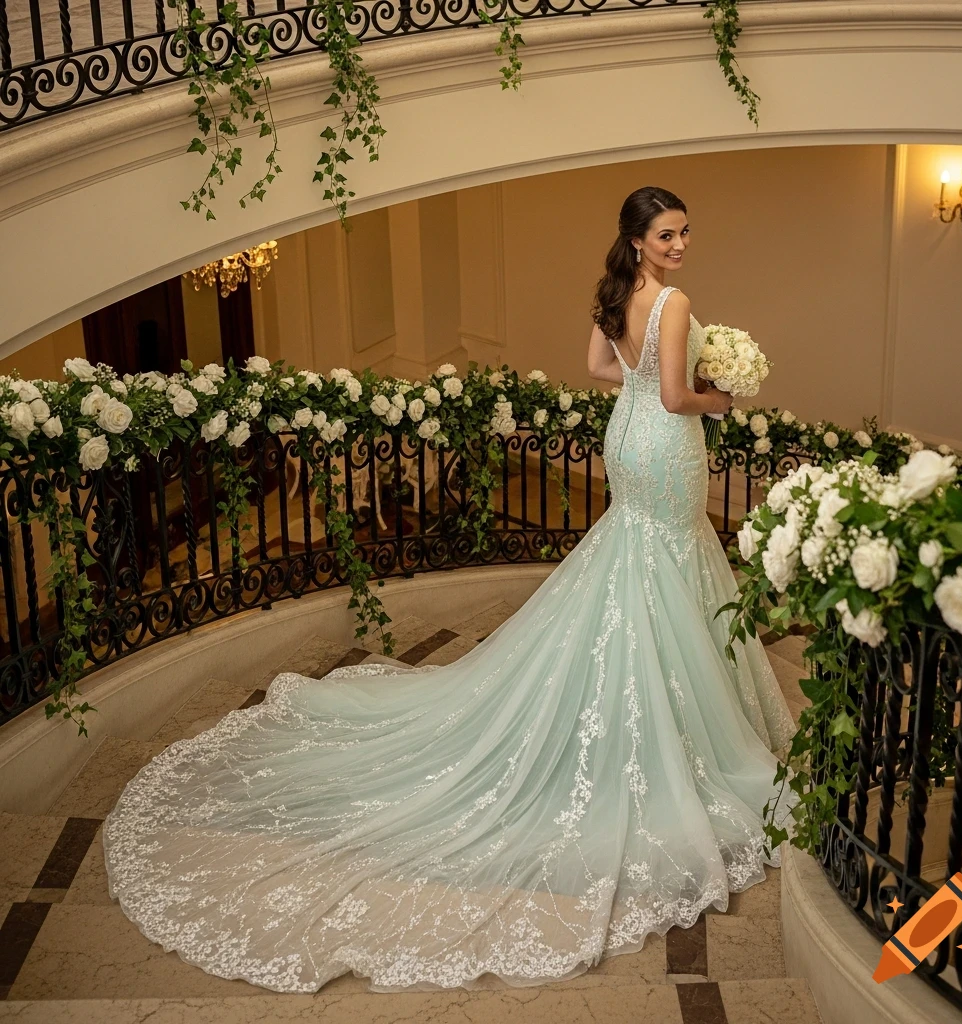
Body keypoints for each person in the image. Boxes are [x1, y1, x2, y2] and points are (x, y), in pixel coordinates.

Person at [103, 185, 798, 995]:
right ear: (640, 241)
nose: (681, 244)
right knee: (669, 556)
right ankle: (677, 726)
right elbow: (678, 396)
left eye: (685, 231)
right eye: (669, 234)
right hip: (667, 442)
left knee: (635, 557)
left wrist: (652, 393)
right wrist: (724, 396)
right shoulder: (674, 302)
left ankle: (643, 694)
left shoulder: (621, 295)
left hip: (627, 442)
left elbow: (599, 368)